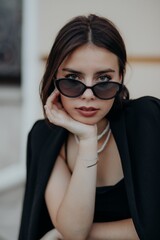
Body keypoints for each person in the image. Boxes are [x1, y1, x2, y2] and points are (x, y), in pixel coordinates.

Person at [18, 14, 160, 240]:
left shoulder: (147, 121)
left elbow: (154, 228)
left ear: (121, 77)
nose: (87, 95)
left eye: (103, 79)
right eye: (73, 78)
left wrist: (63, 233)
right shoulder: (44, 136)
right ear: (55, 77)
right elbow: (74, 231)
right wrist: (87, 140)